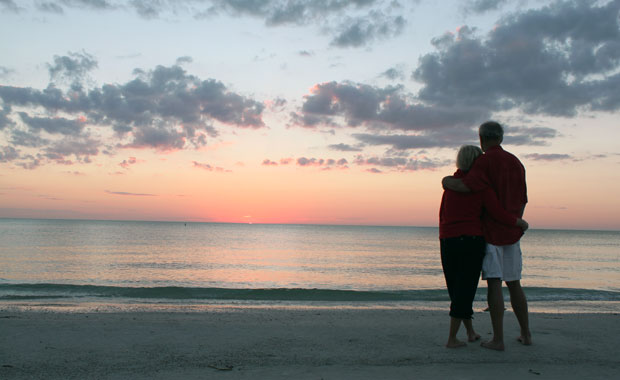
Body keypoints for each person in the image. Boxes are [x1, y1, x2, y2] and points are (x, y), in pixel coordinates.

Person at [442, 121, 532, 351]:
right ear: (501, 138)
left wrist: (446, 181)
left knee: (494, 283)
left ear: (481, 138)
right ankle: (526, 334)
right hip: (512, 231)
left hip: (491, 232)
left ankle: (498, 339)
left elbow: (467, 187)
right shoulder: (516, 163)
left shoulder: (483, 162)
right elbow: (523, 198)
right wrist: (516, 223)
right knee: (514, 283)